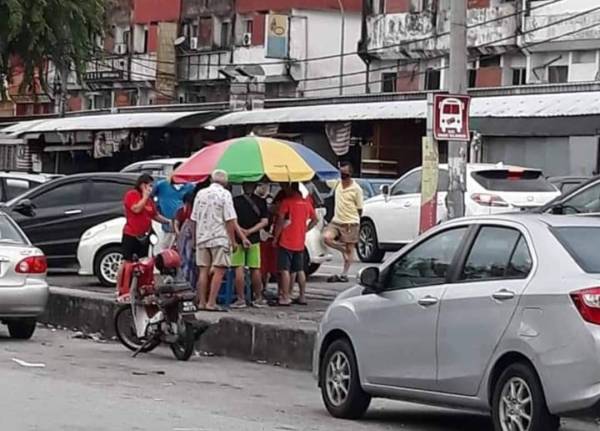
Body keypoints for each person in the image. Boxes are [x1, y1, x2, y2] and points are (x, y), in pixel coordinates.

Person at [191, 170, 250, 312]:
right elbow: (229, 220)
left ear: (211, 180)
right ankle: (211, 302)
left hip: (202, 237)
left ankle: (201, 302)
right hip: (219, 237)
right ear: (226, 183)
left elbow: (194, 219)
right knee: (219, 270)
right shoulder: (225, 195)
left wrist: (194, 238)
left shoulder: (200, 194)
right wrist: (233, 241)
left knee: (203, 271)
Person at [118, 173, 170, 289]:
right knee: (127, 262)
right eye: (149, 186)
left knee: (143, 262)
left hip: (145, 235)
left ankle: (140, 287)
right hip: (131, 233)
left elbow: (155, 215)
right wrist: (145, 197)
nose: (151, 189)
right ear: (143, 185)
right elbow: (136, 209)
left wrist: (168, 221)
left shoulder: (150, 201)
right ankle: (121, 287)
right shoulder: (132, 195)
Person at [273, 183, 318, 306]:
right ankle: (302, 295)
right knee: (299, 270)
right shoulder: (306, 203)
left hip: (286, 240)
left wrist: (275, 237)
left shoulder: (287, 202)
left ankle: (285, 296)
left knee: (285, 269)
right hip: (300, 241)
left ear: (290, 189)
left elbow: (280, 221)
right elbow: (315, 219)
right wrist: (306, 229)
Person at [230, 183, 269, 309]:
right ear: (255, 187)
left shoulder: (235, 201)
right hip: (254, 239)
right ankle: (258, 298)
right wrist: (251, 231)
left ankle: (240, 299)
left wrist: (241, 232)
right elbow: (265, 221)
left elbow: (232, 220)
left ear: (242, 187)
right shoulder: (261, 202)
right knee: (255, 268)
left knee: (238, 268)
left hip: (237, 238)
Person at [323, 162, 364, 283]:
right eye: (341, 174)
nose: (343, 176)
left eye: (345, 174)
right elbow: (326, 179)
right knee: (327, 238)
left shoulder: (356, 189)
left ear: (350, 174)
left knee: (350, 248)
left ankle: (344, 273)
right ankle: (342, 250)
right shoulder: (337, 183)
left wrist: (356, 221)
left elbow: (360, 208)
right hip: (336, 221)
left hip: (350, 222)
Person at [152, 163, 194, 251]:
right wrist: (155, 211)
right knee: (165, 250)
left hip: (184, 225)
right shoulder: (162, 185)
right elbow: (149, 197)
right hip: (166, 224)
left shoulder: (190, 187)